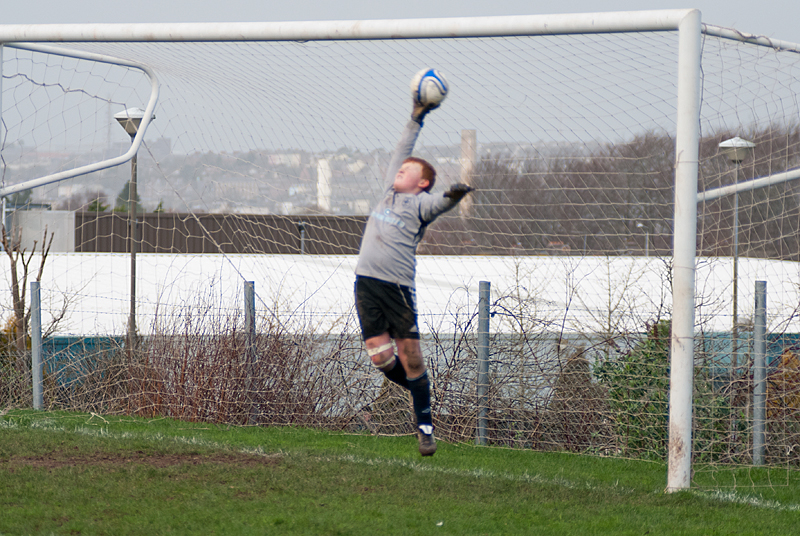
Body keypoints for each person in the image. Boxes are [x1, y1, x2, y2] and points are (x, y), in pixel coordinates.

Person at [354, 93, 473, 456]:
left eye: (408, 170)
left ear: (422, 183)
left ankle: (425, 428)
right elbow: (402, 148)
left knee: (412, 357)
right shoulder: (388, 191)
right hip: (366, 284)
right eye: (400, 169)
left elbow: (440, 203)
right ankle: (420, 391)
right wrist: (416, 117)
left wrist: (453, 196)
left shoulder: (420, 204)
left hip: (397, 289)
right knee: (381, 359)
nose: (400, 170)